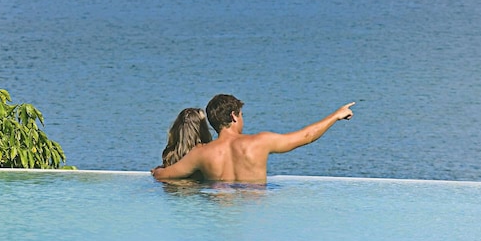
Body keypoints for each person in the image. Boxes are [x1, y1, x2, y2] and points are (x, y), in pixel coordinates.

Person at [152, 94, 355, 184]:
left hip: (220, 212)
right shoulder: (260, 142)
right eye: (241, 115)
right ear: (234, 116)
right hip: (253, 211)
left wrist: (157, 170)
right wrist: (336, 115)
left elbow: (164, 175)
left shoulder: (201, 153)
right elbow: (307, 136)